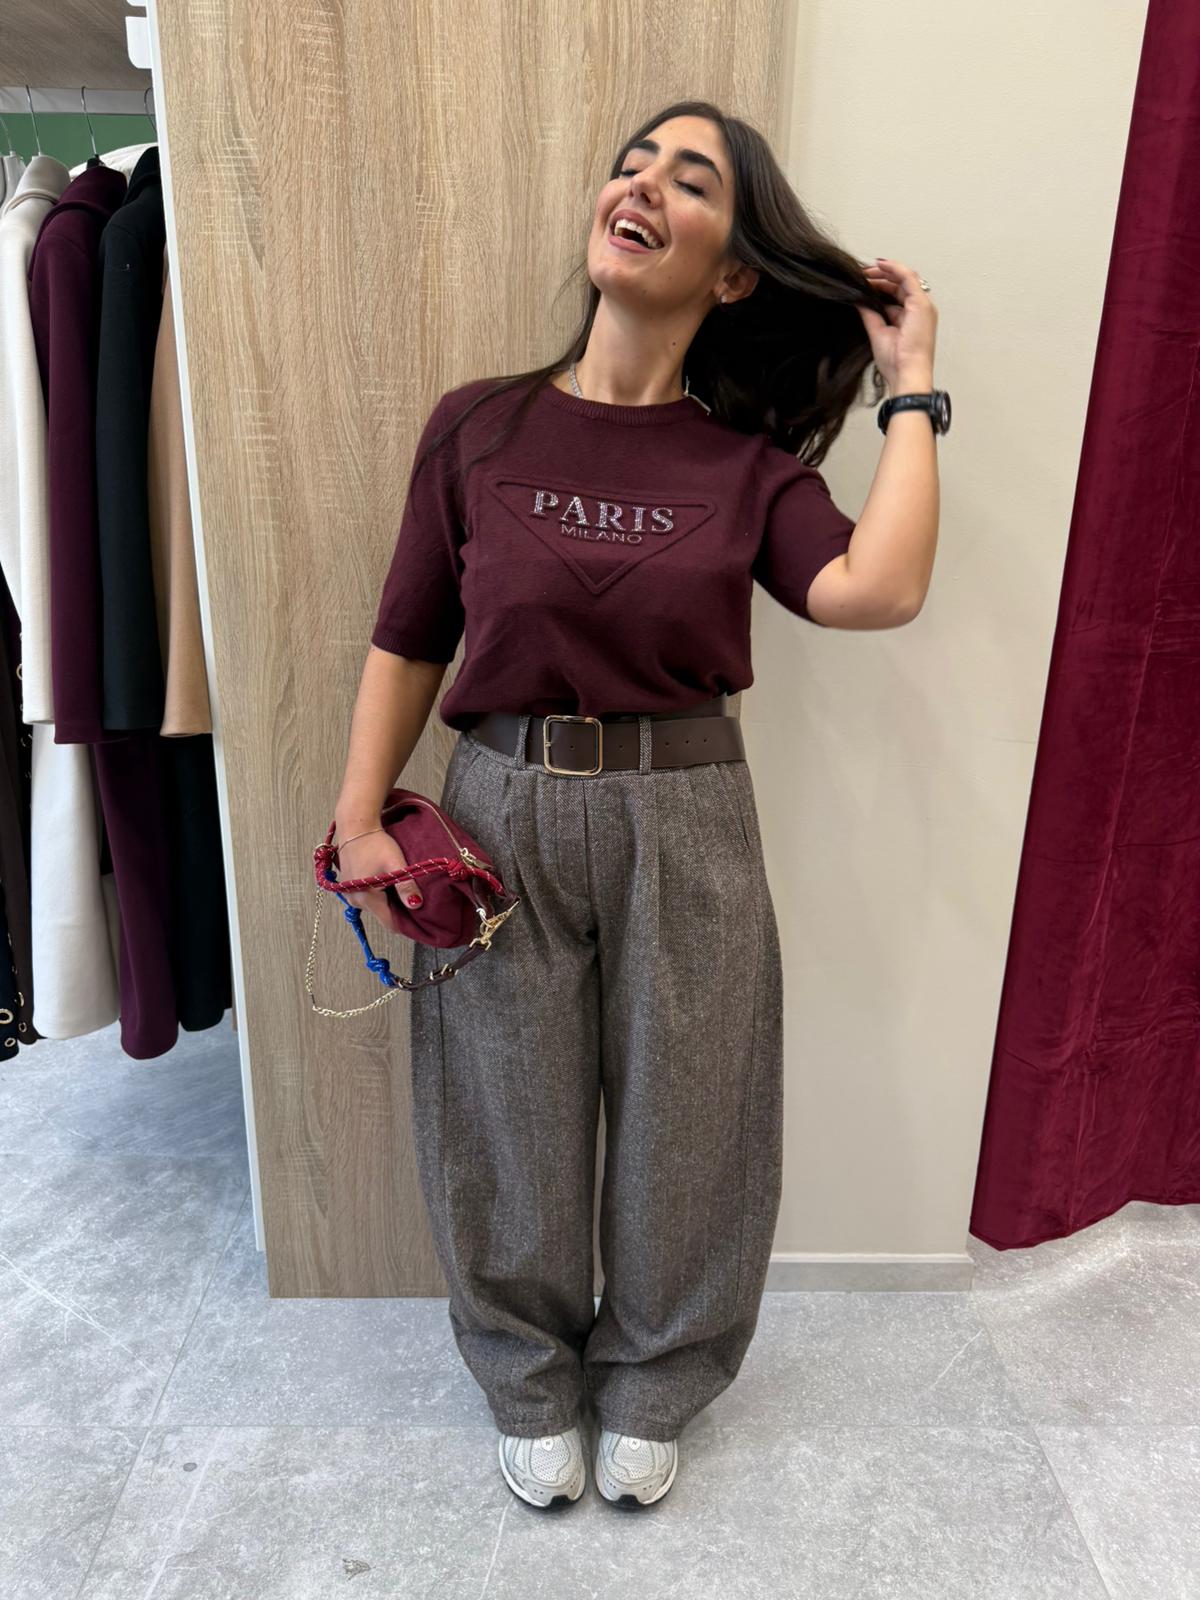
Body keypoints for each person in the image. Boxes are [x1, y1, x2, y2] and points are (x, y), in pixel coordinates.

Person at [333, 98, 940, 1512]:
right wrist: (362, 818)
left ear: (732, 274)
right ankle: (526, 1377)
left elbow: (878, 589)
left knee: (694, 1115)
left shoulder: (749, 470)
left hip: (688, 813)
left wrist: (911, 386)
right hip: (498, 809)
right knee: (504, 1112)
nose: (645, 185)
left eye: (693, 180)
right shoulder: (478, 425)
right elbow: (410, 636)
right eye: (632, 164)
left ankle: (657, 1379)